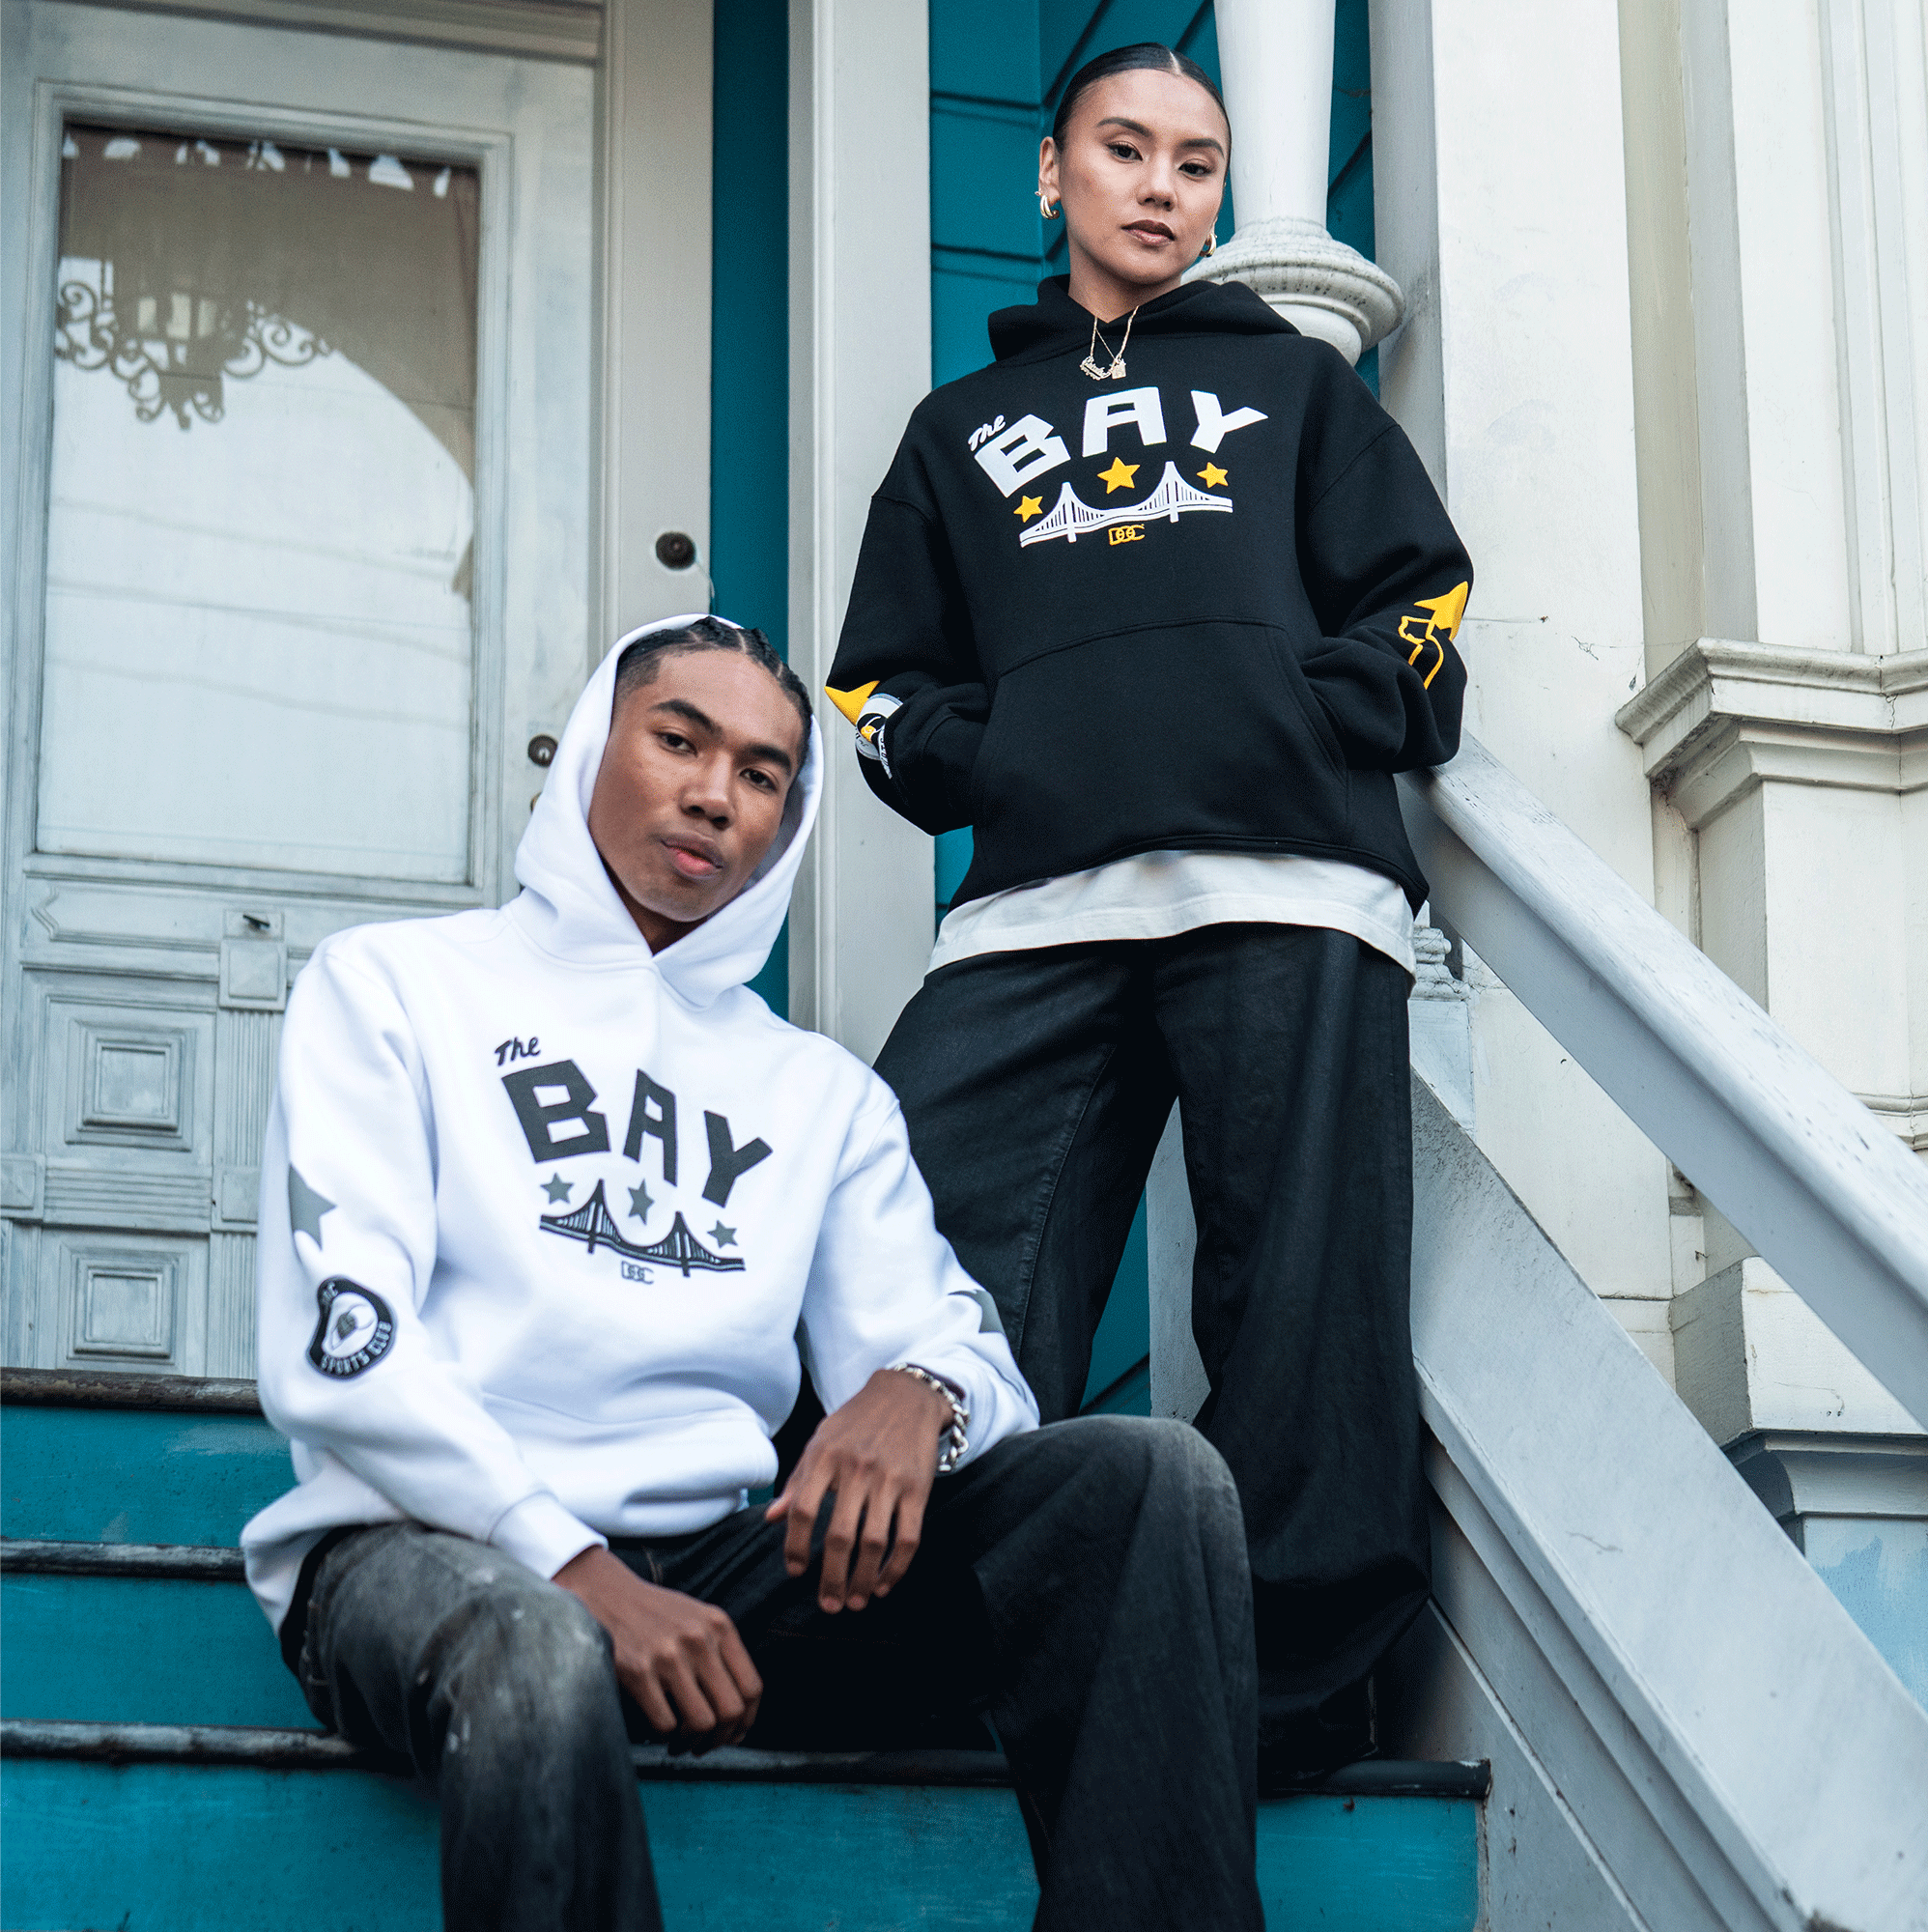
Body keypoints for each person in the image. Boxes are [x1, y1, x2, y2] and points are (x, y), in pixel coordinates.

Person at [240, 613, 1263, 1932]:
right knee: (538, 1652)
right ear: (594, 749)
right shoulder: (393, 989)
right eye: (681, 740)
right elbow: (347, 1345)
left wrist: (920, 1389)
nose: (717, 794)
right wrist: (573, 1567)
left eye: (766, 773)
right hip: (430, 1557)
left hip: (722, 1586)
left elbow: (954, 1346)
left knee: (1146, 1486)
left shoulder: (816, 1093)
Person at [825, 43, 1475, 1781]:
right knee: (934, 1261)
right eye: (1126, 149)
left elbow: (1423, 602)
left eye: (1200, 159)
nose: (1164, 186)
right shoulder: (956, 434)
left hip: (1290, 881)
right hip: (1037, 909)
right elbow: (876, 688)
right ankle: (918, 1652)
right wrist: (1009, 756)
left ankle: (1281, 1697)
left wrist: (1304, 712)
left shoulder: (1303, 400)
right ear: (1051, 178)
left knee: (1298, 1306)